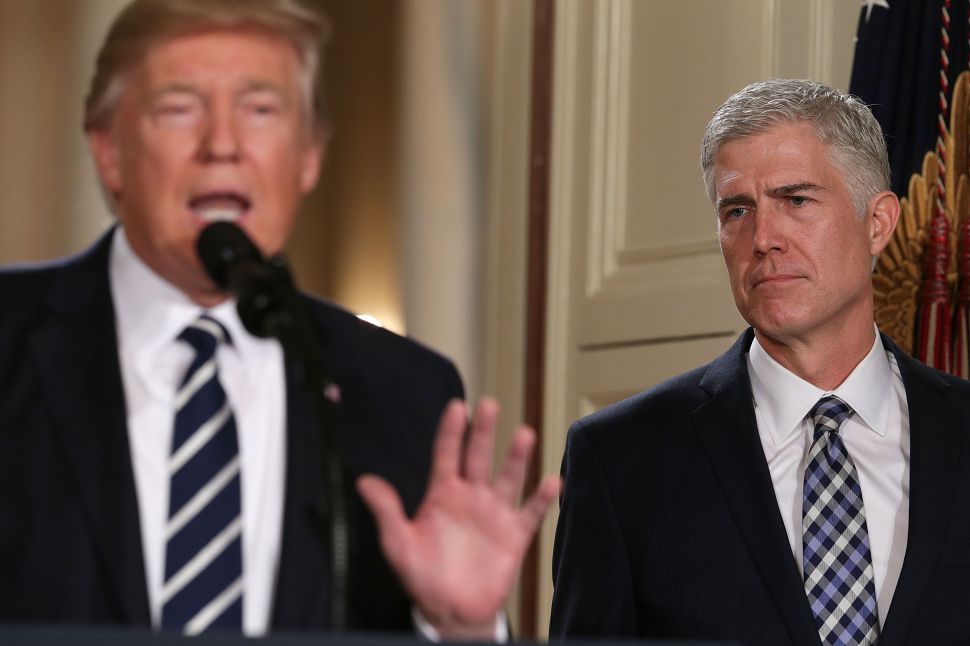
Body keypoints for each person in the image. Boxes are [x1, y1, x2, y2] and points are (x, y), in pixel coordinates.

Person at [0, 0, 560, 638]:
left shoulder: (404, 391)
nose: (222, 145)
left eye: (260, 110)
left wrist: (460, 627)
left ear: (310, 156)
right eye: (179, 108)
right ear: (109, 153)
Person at [550, 78, 970, 645]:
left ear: (878, 223)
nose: (763, 238)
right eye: (737, 211)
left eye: (796, 201)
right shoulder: (620, 458)